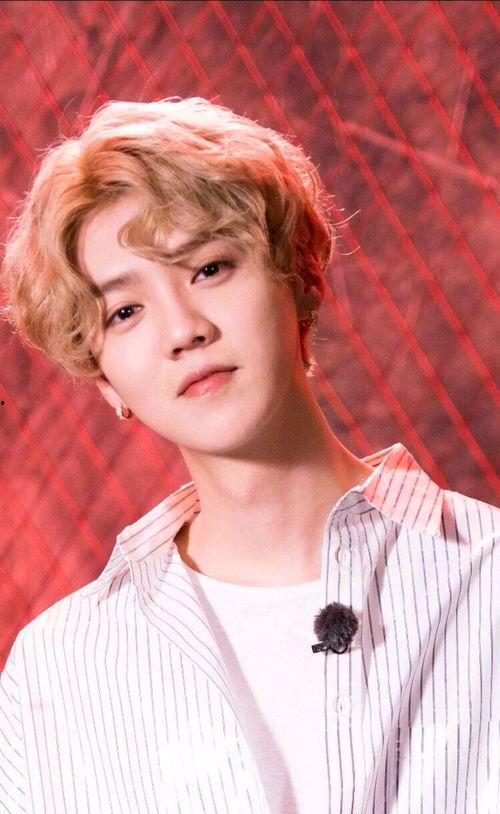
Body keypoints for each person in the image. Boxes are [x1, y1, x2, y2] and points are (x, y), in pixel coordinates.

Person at [0, 97, 498, 814]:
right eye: (125, 311)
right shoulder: (58, 667)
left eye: (209, 268)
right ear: (104, 378)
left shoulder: (487, 578)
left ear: (300, 279)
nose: (184, 330)